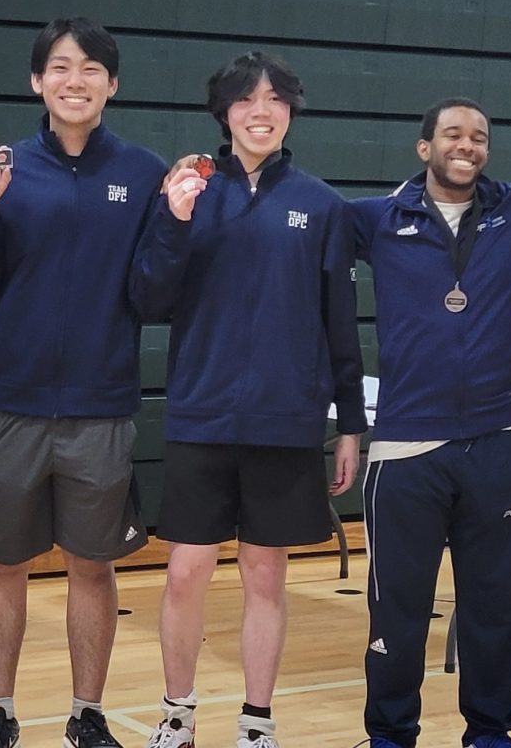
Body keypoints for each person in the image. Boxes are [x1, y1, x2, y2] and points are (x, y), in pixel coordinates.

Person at [129, 51, 366, 748]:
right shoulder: (187, 191)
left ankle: (257, 722)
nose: (261, 112)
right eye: (246, 99)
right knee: (184, 572)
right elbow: (149, 297)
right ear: (224, 112)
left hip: (284, 420)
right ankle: (177, 714)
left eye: (275, 99)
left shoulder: (322, 206)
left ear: (290, 112)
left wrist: (350, 424)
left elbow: (340, 324)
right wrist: (173, 220)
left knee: (266, 574)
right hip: (201, 414)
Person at [0, 18, 167, 748]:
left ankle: (87, 714)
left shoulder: (143, 172)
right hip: (11, 402)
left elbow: (153, 293)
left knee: (92, 566)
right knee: (2, 561)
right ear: (37, 81)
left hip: (100, 407)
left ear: (112, 84)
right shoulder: (3, 168)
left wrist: (177, 222)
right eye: (61, 67)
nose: (76, 80)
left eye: (91, 68)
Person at [351, 97, 511, 748]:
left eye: (479, 137)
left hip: (495, 440)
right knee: (397, 611)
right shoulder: (378, 218)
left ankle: (489, 731)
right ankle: (389, 735)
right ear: (423, 146)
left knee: (497, 605)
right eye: (453, 134)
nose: (467, 145)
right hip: (406, 446)